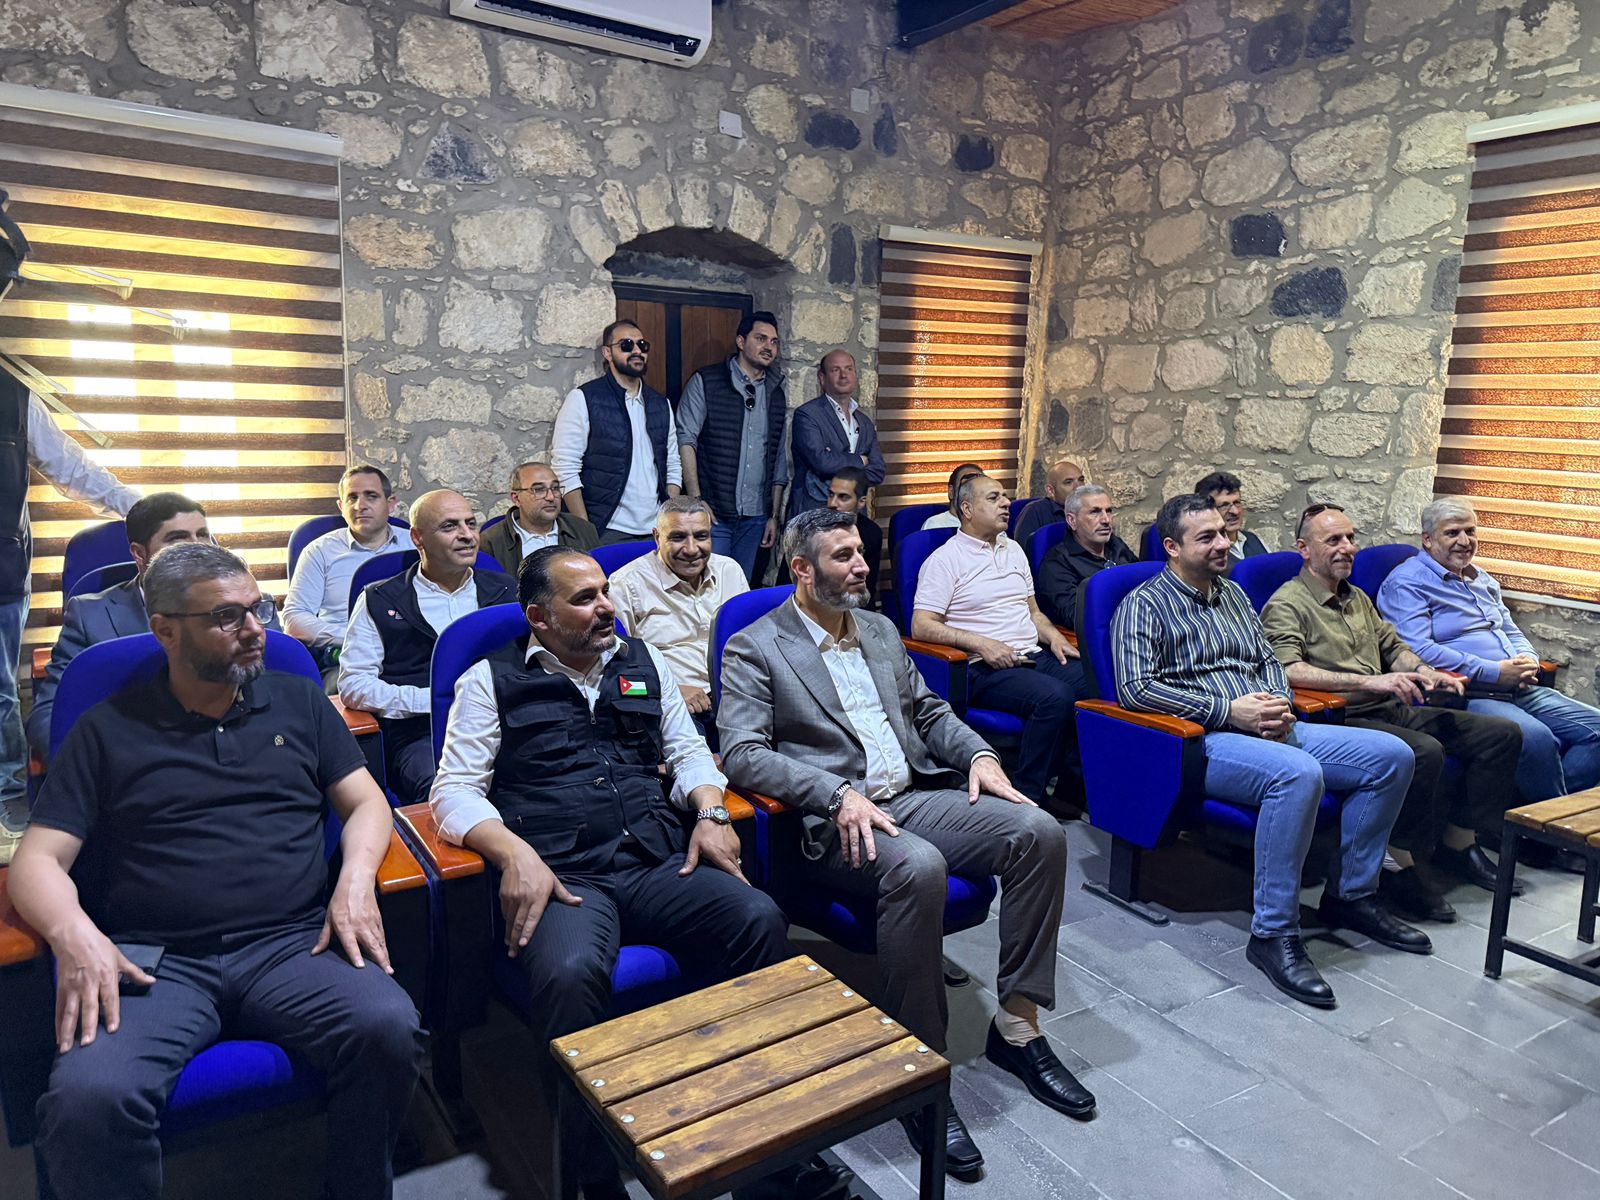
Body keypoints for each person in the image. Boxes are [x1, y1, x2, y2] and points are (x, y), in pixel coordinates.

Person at [9, 542, 422, 1200]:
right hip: (156, 959)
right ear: (165, 630)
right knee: (90, 1099)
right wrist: (74, 935)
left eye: (257, 607)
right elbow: (36, 861)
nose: (256, 628)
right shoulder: (107, 730)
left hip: (292, 943)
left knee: (389, 1028)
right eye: (227, 617)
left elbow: (367, 802)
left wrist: (353, 880)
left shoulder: (299, 701)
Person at [720, 507, 1091, 1182]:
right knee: (919, 866)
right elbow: (742, 753)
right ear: (801, 569)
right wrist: (834, 794)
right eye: (842, 557)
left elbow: (928, 711)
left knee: (1038, 831)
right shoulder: (755, 645)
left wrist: (979, 756)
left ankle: (1017, 1028)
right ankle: (917, 1067)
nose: (861, 566)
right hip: (836, 820)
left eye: (860, 553)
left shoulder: (880, 629)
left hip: (914, 794)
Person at [429, 546, 795, 1200]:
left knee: (758, 918)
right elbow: (453, 791)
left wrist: (711, 811)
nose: (606, 608)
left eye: (605, 592)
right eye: (584, 599)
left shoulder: (641, 660)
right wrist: (512, 853)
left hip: (653, 857)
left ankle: (756, 1128)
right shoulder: (490, 680)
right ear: (539, 617)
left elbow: (688, 751)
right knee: (571, 974)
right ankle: (590, 1175)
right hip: (564, 873)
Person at [1114, 493, 1424, 1008]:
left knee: (1392, 757)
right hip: (1201, 737)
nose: (1223, 543)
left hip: (1266, 724)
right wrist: (1228, 711)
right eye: (1207, 537)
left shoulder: (1234, 595)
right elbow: (1136, 690)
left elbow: (1268, 663)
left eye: (1224, 532)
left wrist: (1277, 704)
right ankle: (1273, 932)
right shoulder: (1143, 605)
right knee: (1298, 773)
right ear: (1172, 547)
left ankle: (1352, 895)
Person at [1262, 504, 1524, 923]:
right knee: (1425, 751)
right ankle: (1398, 864)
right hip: (1341, 718)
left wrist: (1425, 671)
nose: (1347, 548)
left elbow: (1394, 648)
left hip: (1389, 705)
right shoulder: (1288, 603)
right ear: (1304, 549)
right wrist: (1372, 682)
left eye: (1351, 538)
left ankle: (1459, 843)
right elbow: (1288, 670)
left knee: (1501, 735)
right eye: (1333, 540)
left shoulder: (1357, 597)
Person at [1379, 498, 1600, 810]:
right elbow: (1417, 650)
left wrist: (1527, 660)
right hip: (1469, 692)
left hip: (1519, 687)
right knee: (1536, 738)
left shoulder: (1480, 577)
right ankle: (1554, 825)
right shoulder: (1406, 583)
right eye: (1452, 533)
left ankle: (1542, 816)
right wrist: (1495, 671)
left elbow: (1509, 629)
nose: (1465, 541)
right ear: (1427, 539)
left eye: (1470, 531)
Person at [0, 380, 141, 864]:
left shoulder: (13, 396)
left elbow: (71, 467)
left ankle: (6, 803)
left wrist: (144, 512)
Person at [911, 475, 1085, 808]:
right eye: (993, 498)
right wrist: (981, 644)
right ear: (967, 509)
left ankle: (1069, 787)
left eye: (1005, 496)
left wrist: (1053, 637)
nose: (1006, 503)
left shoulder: (1013, 549)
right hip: (981, 666)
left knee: (1095, 686)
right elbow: (921, 626)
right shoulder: (945, 560)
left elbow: (1033, 612)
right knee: (1055, 698)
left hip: (1032, 653)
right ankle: (1026, 796)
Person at [26, 492, 240, 763]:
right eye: (178, 538)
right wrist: (94, 769)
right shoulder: (90, 615)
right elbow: (50, 714)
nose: (198, 548)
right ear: (139, 553)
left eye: (203, 535)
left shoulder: (245, 606)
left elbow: (278, 692)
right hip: (134, 763)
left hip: (232, 755)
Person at [339, 489, 515, 807]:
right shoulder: (380, 598)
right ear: (417, 538)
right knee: (449, 796)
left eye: (471, 523)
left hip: (506, 725)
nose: (467, 535)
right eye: (449, 526)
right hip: (423, 734)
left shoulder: (507, 592)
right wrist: (430, 701)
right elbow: (354, 685)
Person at [608, 497, 747, 742]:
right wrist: (667, 690)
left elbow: (752, 640)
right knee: (699, 759)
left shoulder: (729, 570)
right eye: (678, 537)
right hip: (675, 705)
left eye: (701, 536)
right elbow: (614, 667)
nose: (692, 549)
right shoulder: (626, 584)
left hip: (739, 694)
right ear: (657, 537)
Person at [678, 310, 791, 582]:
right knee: (708, 589)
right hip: (714, 514)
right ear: (741, 341)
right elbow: (685, 439)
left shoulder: (775, 392)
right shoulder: (707, 381)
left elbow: (777, 459)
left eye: (774, 341)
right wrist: (696, 500)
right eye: (761, 339)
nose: (769, 347)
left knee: (739, 589)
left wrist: (773, 516)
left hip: (755, 518)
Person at [551, 320, 682, 544]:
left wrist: (667, 516)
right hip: (606, 529)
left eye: (642, 345)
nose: (637, 351)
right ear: (607, 353)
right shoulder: (584, 399)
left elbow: (672, 464)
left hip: (655, 530)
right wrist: (586, 530)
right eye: (626, 345)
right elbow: (565, 468)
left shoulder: (660, 404)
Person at [282, 465, 405, 686]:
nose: (360, 506)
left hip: (409, 651)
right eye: (352, 498)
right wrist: (355, 637)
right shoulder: (319, 551)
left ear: (391, 504)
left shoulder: (416, 545)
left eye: (371, 496)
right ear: (341, 506)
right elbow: (294, 618)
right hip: (345, 657)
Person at [787, 349, 886, 517]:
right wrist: (861, 461)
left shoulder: (864, 422)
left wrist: (834, 461)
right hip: (814, 514)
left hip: (854, 517)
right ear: (822, 378)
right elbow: (822, 462)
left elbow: (878, 471)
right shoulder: (807, 415)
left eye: (849, 369)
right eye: (835, 370)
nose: (843, 375)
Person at [1036, 484, 1138, 630]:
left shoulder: (1116, 544)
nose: (1106, 520)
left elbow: (1146, 585)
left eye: (1109, 511)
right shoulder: (1057, 562)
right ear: (1072, 521)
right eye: (1095, 512)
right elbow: (1076, 617)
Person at [479, 460, 599, 576]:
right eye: (539, 490)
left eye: (555, 488)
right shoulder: (490, 542)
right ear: (516, 498)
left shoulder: (583, 529)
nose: (551, 497)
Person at [826, 466, 883, 606]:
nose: (832, 504)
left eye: (843, 497)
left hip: (855, 609)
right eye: (831, 495)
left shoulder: (871, 533)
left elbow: (867, 588)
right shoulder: (809, 531)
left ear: (861, 502)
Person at [1012, 459, 1086, 555]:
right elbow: (1022, 553)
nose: (1078, 487)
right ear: (1050, 490)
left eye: (1081, 480)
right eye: (1068, 482)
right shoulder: (1035, 511)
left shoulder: (1090, 510)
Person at [1195, 470, 1268, 560]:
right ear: (1205, 511)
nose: (1235, 512)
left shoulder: (1255, 540)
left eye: (1237, 502)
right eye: (1224, 505)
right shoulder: (1205, 553)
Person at [920, 462, 984, 532]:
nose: (973, 492)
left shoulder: (988, 524)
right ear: (951, 491)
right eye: (966, 486)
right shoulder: (935, 525)